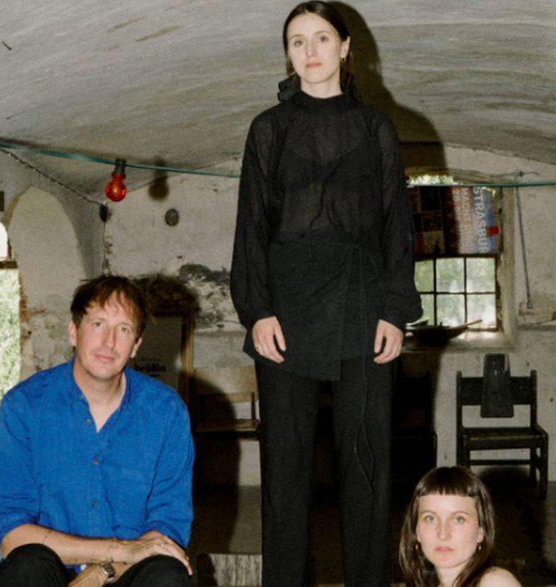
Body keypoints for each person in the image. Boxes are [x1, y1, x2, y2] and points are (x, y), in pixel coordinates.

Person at [229, 3, 422, 586]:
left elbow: (396, 224)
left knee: (366, 467)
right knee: (285, 469)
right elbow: (251, 225)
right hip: (285, 309)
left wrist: (395, 312)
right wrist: (257, 310)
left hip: (364, 305)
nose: (309, 51)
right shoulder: (269, 129)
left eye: (320, 38)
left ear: (345, 48)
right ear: (288, 54)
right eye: (297, 41)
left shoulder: (376, 128)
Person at [0, 275, 194, 587]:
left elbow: (166, 531)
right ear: (73, 331)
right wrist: (117, 550)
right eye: (98, 324)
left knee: (167, 574)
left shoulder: (166, 413)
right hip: (49, 572)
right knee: (26, 565)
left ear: (136, 346)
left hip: (126, 573)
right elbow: (10, 532)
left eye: (123, 329)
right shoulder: (24, 406)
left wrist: (102, 572)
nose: (109, 341)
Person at [399, 467, 522, 587]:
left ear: (480, 532)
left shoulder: (494, 582)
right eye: (430, 518)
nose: (443, 534)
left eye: (458, 519)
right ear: (417, 531)